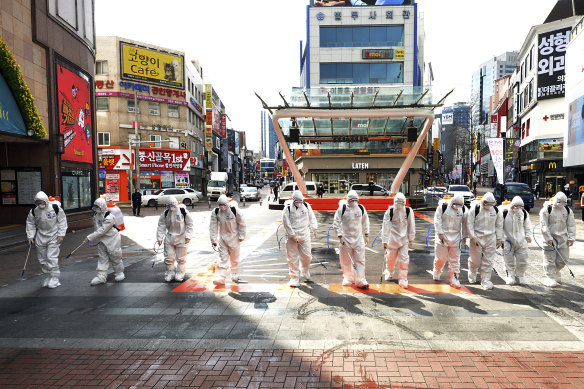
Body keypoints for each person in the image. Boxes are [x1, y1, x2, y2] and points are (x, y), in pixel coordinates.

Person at [25, 191, 68, 288]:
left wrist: (61, 234)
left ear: (46, 201)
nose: (40, 204)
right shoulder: (34, 211)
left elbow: (62, 221)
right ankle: (48, 276)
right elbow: (30, 223)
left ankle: (54, 277)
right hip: (40, 235)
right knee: (42, 258)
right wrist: (30, 236)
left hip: (54, 235)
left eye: (42, 202)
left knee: (51, 257)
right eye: (38, 202)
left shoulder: (55, 208)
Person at [332, 190, 370, 289]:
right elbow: (336, 223)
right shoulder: (342, 209)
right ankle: (348, 277)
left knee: (360, 259)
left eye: (355, 200)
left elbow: (366, 222)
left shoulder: (361, 208)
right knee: (346, 259)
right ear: (348, 200)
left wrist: (366, 234)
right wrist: (340, 236)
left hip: (358, 238)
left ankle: (360, 279)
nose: (353, 202)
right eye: (351, 200)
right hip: (346, 239)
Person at [466, 192, 504, 290]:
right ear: (483, 202)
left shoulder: (496, 210)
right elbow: (469, 224)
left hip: (491, 237)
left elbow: (499, 225)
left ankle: (485, 280)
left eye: (491, 204)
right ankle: (472, 272)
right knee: (476, 260)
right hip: (477, 238)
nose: (489, 206)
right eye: (487, 203)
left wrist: (499, 238)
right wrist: (473, 237)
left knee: (488, 260)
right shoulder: (475, 209)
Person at [282, 190, 318, 287]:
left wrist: (314, 228)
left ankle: (305, 270)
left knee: (307, 256)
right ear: (293, 200)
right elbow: (286, 222)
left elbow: (312, 217)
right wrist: (292, 235)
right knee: (292, 257)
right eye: (297, 201)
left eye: (300, 201)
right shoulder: (288, 208)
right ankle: (294, 277)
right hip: (291, 237)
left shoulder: (306, 206)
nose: (299, 203)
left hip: (305, 234)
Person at [539, 192, 576, 287]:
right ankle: (549, 277)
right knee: (549, 259)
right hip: (549, 239)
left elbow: (571, 225)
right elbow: (543, 225)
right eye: (560, 202)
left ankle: (555, 272)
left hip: (563, 239)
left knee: (563, 259)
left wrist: (571, 237)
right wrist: (548, 237)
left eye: (564, 202)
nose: (562, 204)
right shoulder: (547, 209)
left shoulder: (567, 210)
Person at [86, 198, 125, 285]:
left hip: (112, 239)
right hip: (102, 240)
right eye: (95, 206)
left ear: (102, 206)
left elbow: (103, 230)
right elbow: (97, 228)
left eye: (97, 206)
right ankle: (101, 277)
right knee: (102, 258)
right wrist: (93, 236)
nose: (96, 208)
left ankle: (119, 273)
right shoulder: (96, 215)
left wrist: (90, 237)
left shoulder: (109, 217)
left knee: (115, 256)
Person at [209, 195, 246, 285]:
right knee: (222, 258)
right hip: (222, 239)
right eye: (220, 205)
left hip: (234, 238)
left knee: (234, 258)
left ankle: (234, 274)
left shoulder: (235, 210)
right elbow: (213, 226)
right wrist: (213, 239)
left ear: (227, 204)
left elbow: (242, 223)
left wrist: (241, 236)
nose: (222, 207)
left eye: (224, 205)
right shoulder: (216, 212)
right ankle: (221, 277)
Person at [432, 194, 467, 288]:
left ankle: (454, 278)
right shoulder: (443, 207)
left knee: (455, 259)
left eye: (460, 204)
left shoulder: (463, 209)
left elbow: (465, 224)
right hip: (442, 237)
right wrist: (439, 233)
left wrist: (464, 237)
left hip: (456, 237)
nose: (457, 206)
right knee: (441, 258)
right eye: (456, 204)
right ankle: (437, 270)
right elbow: (437, 220)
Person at [381, 193, 415, 289]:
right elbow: (385, 226)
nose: (400, 205)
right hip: (392, 239)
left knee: (404, 260)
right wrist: (384, 240)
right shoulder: (390, 211)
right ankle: (389, 271)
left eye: (402, 203)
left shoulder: (408, 211)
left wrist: (411, 239)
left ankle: (403, 278)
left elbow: (411, 225)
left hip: (404, 240)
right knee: (390, 259)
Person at [156, 196, 194, 282]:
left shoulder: (183, 212)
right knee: (168, 257)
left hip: (182, 237)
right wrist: (160, 237)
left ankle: (180, 273)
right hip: (169, 237)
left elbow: (190, 224)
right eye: (169, 206)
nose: (171, 208)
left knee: (181, 258)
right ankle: (170, 273)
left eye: (173, 205)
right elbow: (161, 225)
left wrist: (188, 236)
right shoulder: (165, 213)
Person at [502, 196, 532, 285]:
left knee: (523, 259)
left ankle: (520, 275)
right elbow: (499, 226)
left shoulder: (524, 213)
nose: (518, 208)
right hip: (508, 240)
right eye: (516, 206)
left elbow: (527, 225)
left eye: (520, 206)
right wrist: (500, 238)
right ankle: (510, 275)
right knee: (508, 260)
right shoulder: (505, 213)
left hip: (521, 241)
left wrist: (528, 235)